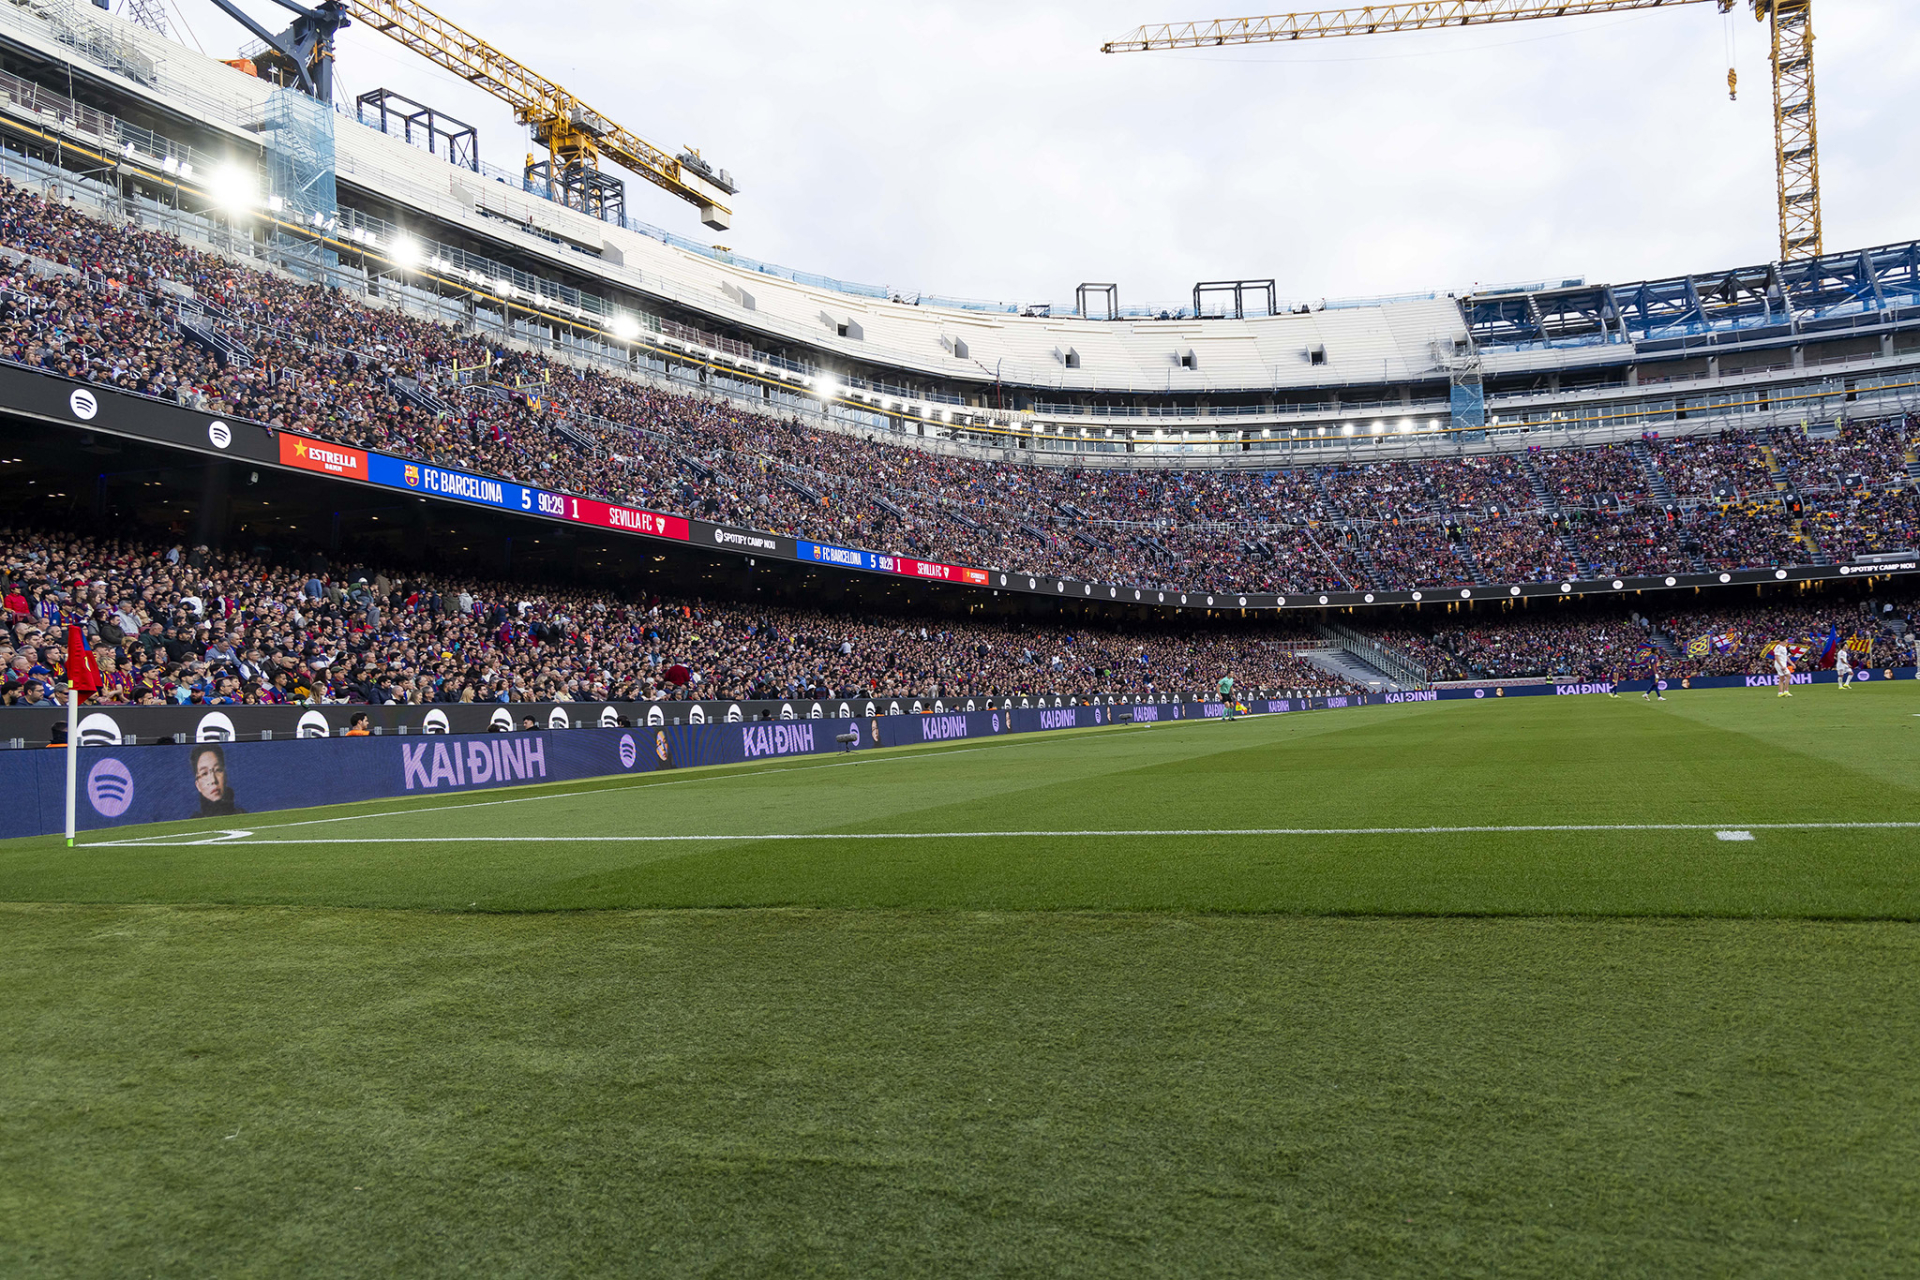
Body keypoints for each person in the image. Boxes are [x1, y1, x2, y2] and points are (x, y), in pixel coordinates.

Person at [190, 744, 244, 817]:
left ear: (225, 775)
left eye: (218, 770)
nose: (213, 780)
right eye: (204, 773)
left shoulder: (242, 816)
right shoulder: (194, 821)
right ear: (198, 785)